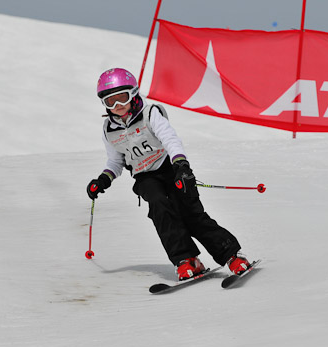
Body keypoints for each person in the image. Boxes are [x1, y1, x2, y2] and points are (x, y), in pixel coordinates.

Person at [87, 68, 253, 281]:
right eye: (111, 102)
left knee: (191, 214)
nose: (118, 106)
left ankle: (231, 255)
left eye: (122, 98)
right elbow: (115, 161)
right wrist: (103, 179)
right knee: (160, 210)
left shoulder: (150, 114)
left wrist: (182, 166)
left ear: (134, 94)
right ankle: (186, 260)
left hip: (169, 168)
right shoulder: (109, 129)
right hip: (145, 177)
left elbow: (170, 139)